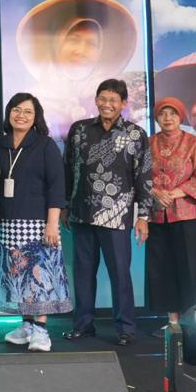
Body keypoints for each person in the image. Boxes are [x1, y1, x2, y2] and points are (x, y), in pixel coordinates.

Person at [63, 78, 151, 346]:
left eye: (113, 100)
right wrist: (65, 205)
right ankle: (83, 325)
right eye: (103, 98)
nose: (107, 104)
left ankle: (126, 328)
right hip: (81, 213)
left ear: (124, 103)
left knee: (120, 274)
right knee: (82, 274)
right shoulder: (79, 130)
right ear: (96, 100)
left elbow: (144, 176)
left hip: (117, 216)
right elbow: (67, 168)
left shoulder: (135, 134)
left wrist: (143, 216)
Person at [0, 94, 69, 352]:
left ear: (36, 117)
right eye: (16, 110)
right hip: (6, 224)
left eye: (27, 111)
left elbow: (57, 186)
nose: (21, 115)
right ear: (8, 113)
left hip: (39, 223)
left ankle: (41, 330)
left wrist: (52, 223)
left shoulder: (45, 145)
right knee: (17, 277)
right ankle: (25, 326)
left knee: (39, 277)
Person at [15, 0, 139, 140]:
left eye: (91, 44)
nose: (81, 50)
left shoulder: (112, 101)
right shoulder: (34, 100)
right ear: (57, 44)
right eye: (73, 40)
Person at [145, 97, 196, 334]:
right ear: (156, 117)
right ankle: (172, 322)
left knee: (192, 268)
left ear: (180, 117)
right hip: (157, 215)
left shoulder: (194, 142)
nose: (167, 118)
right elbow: (138, 174)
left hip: (187, 215)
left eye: (173, 113)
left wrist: (174, 193)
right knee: (162, 267)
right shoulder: (148, 143)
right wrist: (155, 192)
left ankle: (195, 322)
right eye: (163, 113)